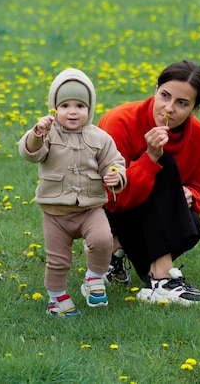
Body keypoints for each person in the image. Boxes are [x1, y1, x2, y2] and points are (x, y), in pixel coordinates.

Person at [97, 60, 200, 306]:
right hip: (106, 209)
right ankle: (161, 279)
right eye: (165, 95)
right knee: (165, 166)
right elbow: (112, 198)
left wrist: (189, 194)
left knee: (193, 224)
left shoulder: (199, 136)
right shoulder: (120, 121)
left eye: (182, 103)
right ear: (155, 89)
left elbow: (198, 188)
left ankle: (115, 253)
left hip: (150, 214)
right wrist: (149, 158)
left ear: (195, 108)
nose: (168, 108)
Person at [18, 68, 126, 318]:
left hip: (90, 209)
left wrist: (115, 175)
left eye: (80, 105)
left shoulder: (100, 137)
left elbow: (115, 162)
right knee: (58, 260)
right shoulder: (47, 133)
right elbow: (29, 153)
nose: (73, 111)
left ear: (91, 108)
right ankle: (56, 299)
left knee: (102, 241)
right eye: (65, 105)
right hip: (55, 214)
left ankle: (94, 279)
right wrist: (36, 134)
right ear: (55, 108)